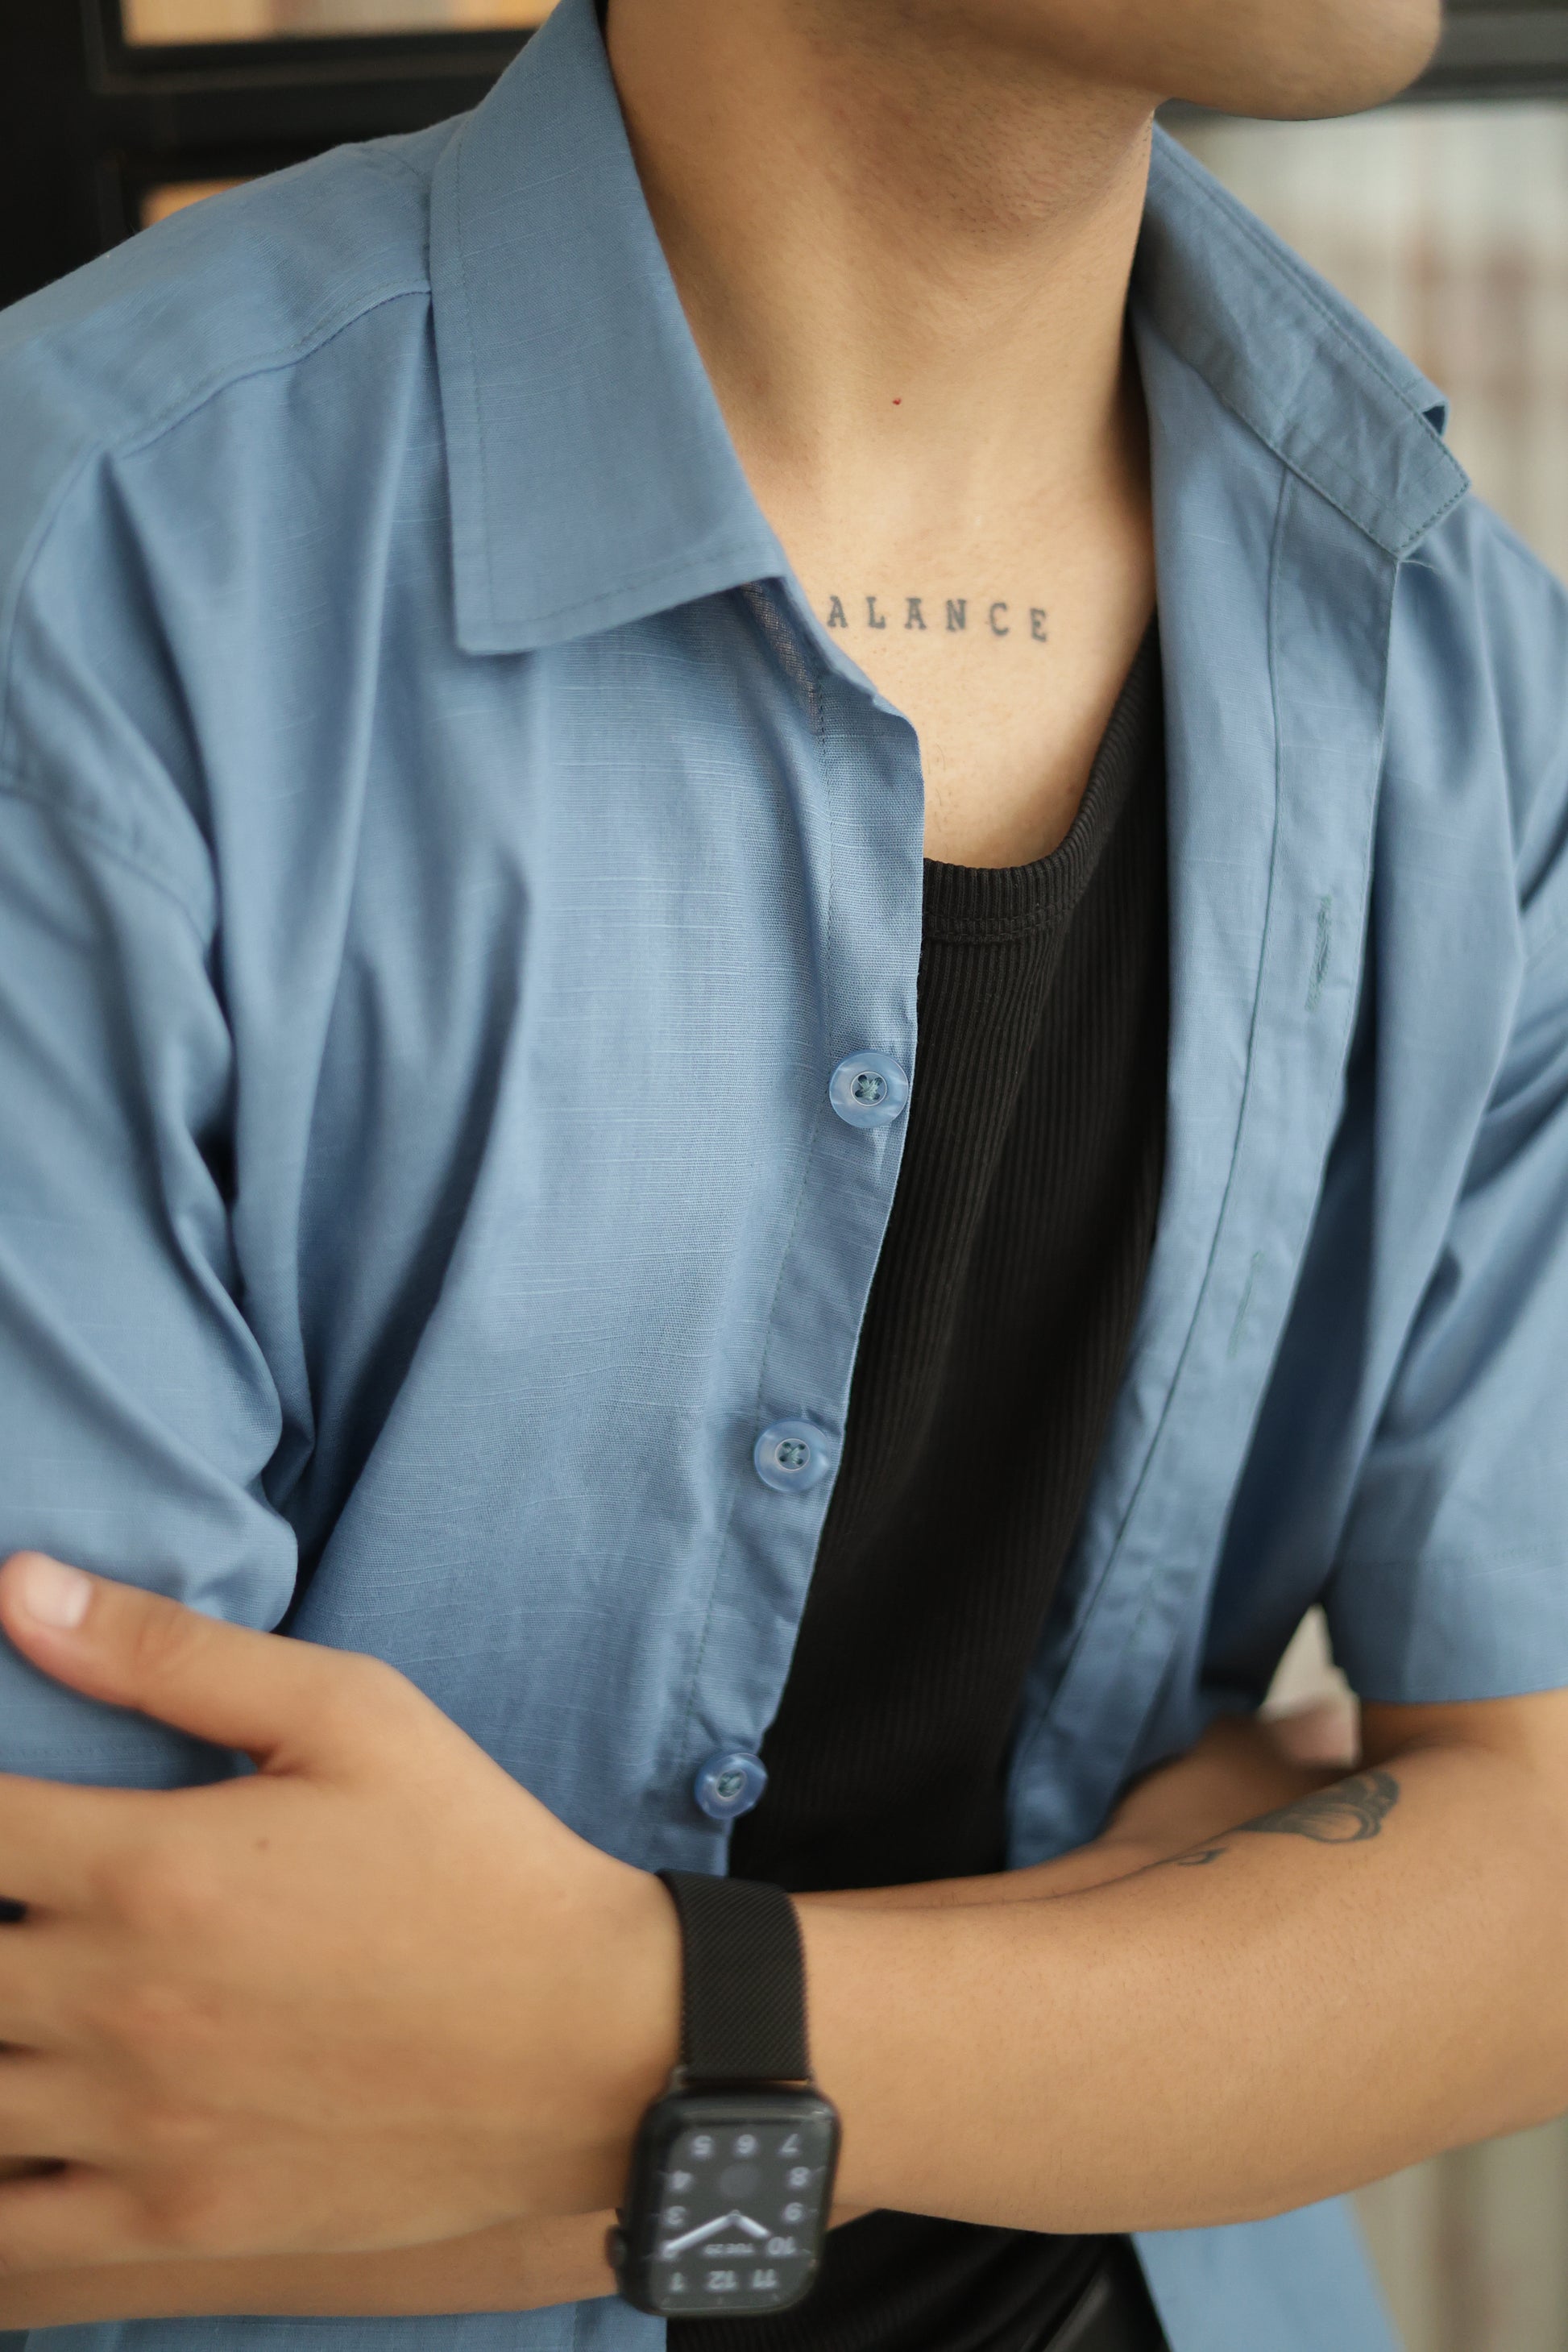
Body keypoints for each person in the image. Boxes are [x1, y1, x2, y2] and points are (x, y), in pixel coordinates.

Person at [2, 0, 1568, 2346]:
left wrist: (678, 2033)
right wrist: (1224, 1980)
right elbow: (110, 2092)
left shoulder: (1468, 666)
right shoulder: (89, 576)